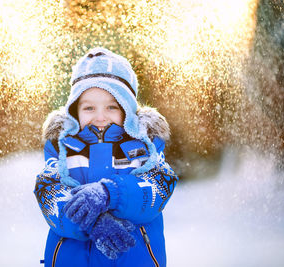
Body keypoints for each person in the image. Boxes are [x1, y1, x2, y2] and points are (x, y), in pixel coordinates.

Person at [34, 47, 178, 267]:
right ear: (75, 110)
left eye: (112, 107)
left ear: (127, 111)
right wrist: (90, 221)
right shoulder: (61, 147)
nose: (100, 117)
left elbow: (159, 184)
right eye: (89, 108)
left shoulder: (145, 145)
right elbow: (49, 192)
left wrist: (110, 193)